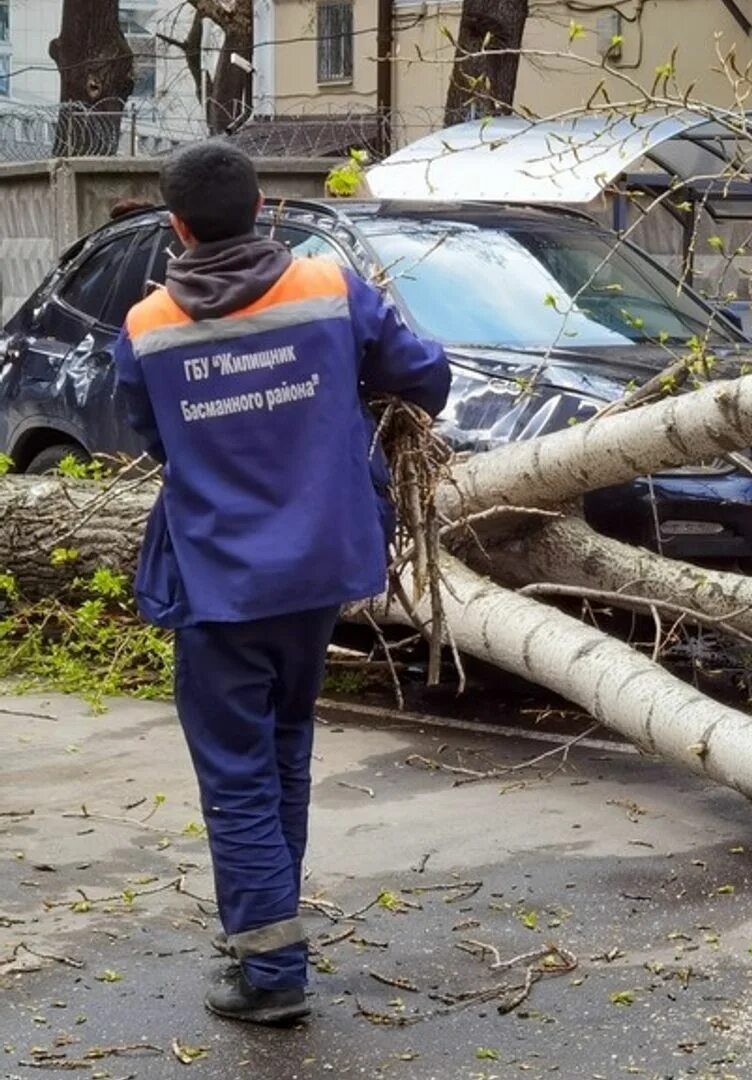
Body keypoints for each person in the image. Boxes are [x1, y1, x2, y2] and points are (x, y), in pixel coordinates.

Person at [112, 139, 450, 1025]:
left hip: (221, 583)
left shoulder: (148, 327)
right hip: (318, 572)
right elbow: (425, 377)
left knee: (238, 777)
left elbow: (150, 435)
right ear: (265, 207)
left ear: (177, 226)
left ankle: (270, 975)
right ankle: (273, 941)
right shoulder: (329, 288)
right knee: (282, 752)